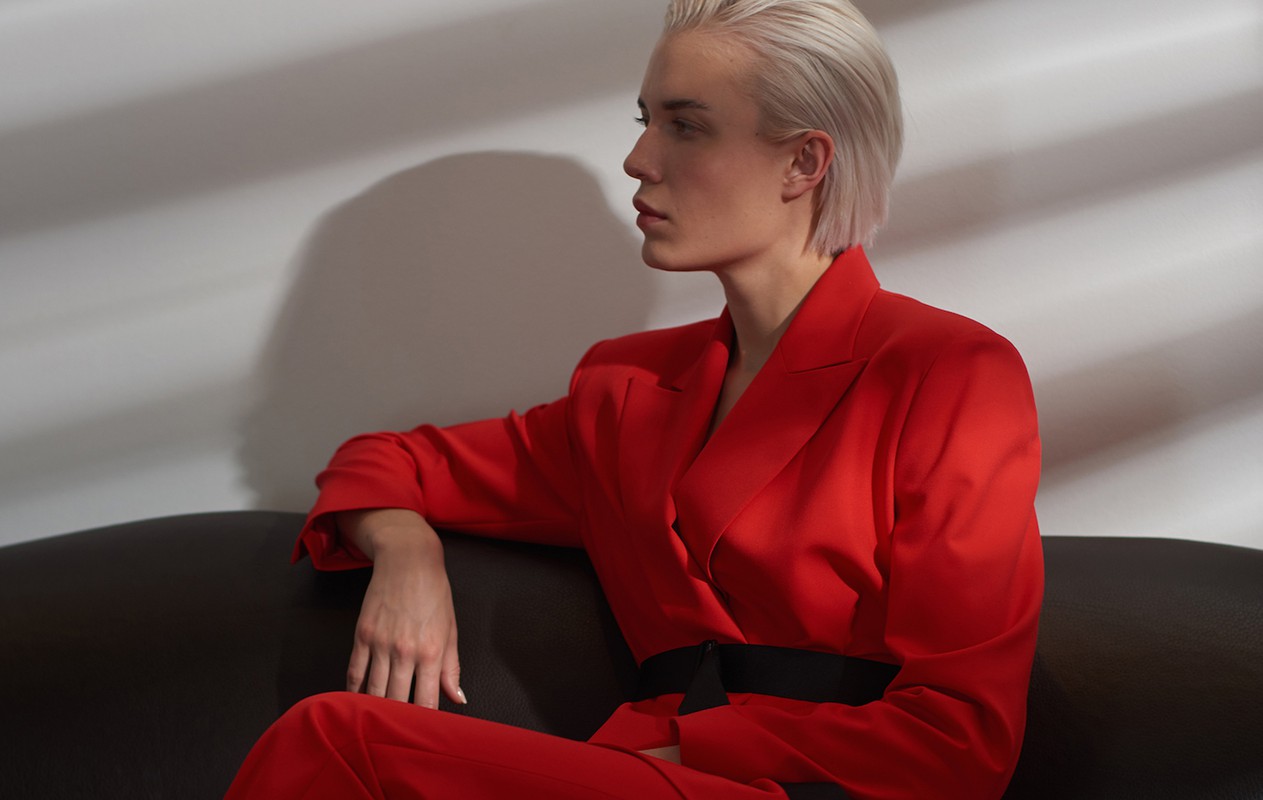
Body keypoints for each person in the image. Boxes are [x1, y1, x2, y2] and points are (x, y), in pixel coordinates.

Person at [226, 0, 1043, 797]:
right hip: (642, 771)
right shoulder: (622, 394)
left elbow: (960, 738)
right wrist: (406, 552)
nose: (637, 159)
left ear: (804, 162)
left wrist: (680, 753)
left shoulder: (946, 373)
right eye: (645, 120)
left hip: (801, 781)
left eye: (685, 126)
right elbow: (388, 461)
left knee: (338, 742)